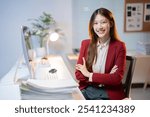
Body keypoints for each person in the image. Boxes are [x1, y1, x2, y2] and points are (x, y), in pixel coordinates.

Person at [75, 8, 126, 100]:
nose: (99, 27)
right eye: (95, 23)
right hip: (87, 90)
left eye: (103, 22)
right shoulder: (85, 44)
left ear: (110, 24)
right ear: (92, 26)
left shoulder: (119, 46)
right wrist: (107, 77)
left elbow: (116, 78)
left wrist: (88, 74)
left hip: (108, 92)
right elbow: (78, 75)